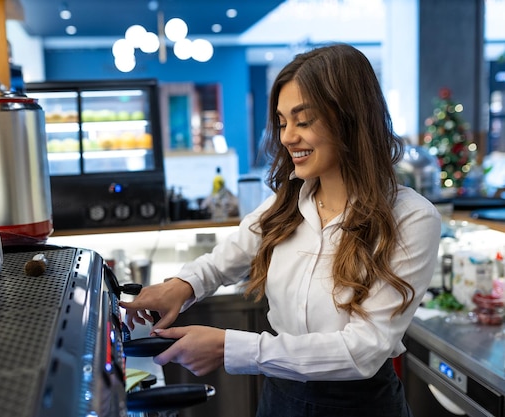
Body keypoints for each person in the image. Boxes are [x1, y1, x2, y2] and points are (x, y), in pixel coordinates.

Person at [120, 43, 441, 417]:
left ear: (351, 119)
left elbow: (363, 350)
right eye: (283, 121)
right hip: (280, 400)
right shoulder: (287, 204)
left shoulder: (411, 218)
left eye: (303, 121)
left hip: (360, 406)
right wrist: (180, 287)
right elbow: (223, 261)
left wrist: (230, 347)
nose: (287, 137)